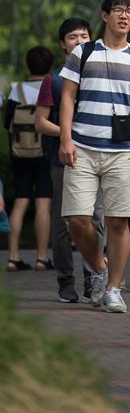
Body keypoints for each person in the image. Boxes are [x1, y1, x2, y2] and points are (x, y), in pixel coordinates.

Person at [58, 0, 130, 314]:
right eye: (118, 10)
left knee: (118, 222)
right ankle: (100, 269)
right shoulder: (82, 53)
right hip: (83, 146)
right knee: (77, 219)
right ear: (104, 16)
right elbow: (68, 98)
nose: (124, 16)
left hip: (121, 150)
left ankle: (113, 288)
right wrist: (65, 139)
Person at [35, 17, 106, 303]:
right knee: (65, 224)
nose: (79, 41)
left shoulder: (101, 76)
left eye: (84, 36)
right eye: (73, 37)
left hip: (97, 157)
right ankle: (66, 281)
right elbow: (40, 122)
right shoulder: (53, 79)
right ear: (62, 44)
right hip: (63, 161)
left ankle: (94, 279)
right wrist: (69, 134)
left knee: (97, 221)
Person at [3, 46, 54, 271]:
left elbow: (7, 124)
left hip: (19, 153)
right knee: (43, 203)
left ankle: (13, 256)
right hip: (44, 152)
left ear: (28, 65)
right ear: (50, 66)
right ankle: (42, 257)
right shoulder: (50, 86)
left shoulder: (17, 90)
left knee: (21, 202)